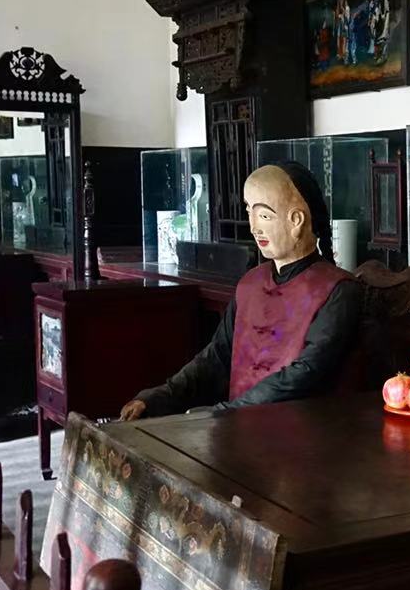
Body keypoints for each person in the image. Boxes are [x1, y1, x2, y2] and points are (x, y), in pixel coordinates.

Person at [119, 163, 361, 419]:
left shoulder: (337, 290)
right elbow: (216, 356)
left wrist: (223, 413)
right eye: (249, 212)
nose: (254, 227)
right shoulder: (250, 284)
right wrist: (159, 397)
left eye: (264, 216)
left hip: (302, 430)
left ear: (296, 220)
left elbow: (305, 374)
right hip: (238, 425)